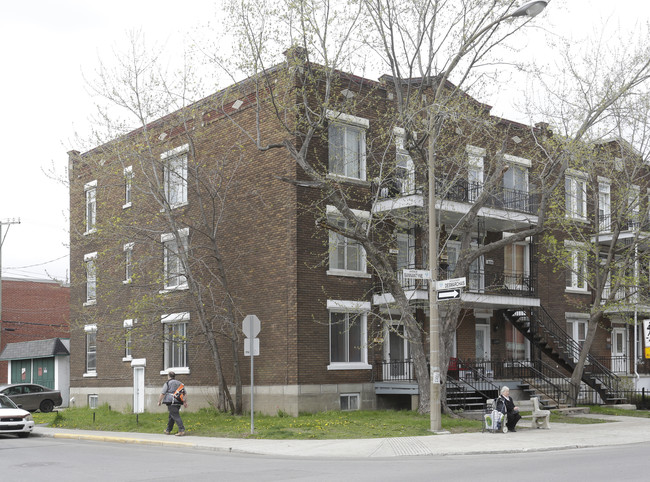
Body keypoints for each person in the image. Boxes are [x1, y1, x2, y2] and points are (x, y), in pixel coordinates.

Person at [157, 371, 188, 436]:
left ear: (168, 376)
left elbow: (163, 393)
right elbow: (184, 393)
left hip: (171, 402)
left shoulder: (167, 383)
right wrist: (185, 402)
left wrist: (159, 401)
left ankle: (181, 430)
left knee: (175, 415)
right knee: (172, 416)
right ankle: (168, 430)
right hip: (179, 401)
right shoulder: (180, 383)